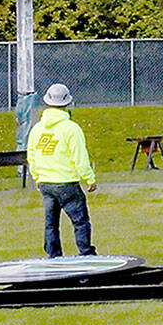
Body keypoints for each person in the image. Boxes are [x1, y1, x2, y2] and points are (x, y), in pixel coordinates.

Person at [27, 83, 98, 257]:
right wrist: (89, 179)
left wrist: (37, 177)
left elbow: (32, 156)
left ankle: (53, 256)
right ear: (67, 103)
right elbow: (79, 158)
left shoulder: (37, 129)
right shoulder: (71, 128)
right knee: (80, 221)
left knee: (51, 223)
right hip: (67, 183)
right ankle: (86, 254)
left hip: (46, 183)